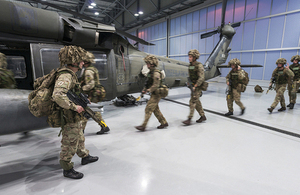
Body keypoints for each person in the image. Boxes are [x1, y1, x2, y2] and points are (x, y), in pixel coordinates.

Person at [52, 46, 98, 179]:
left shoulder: (71, 74)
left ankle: (84, 156)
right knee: (70, 142)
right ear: (74, 61)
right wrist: (74, 107)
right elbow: (57, 95)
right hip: (69, 115)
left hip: (74, 115)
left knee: (79, 136)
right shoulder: (66, 75)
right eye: (81, 61)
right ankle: (67, 168)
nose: (83, 63)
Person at [135, 55, 168, 131]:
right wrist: (144, 90)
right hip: (154, 93)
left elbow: (155, 85)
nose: (147, 65)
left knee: (148, 109)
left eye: (148, 63)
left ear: (152, 64)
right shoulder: (150, 72)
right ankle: (164, 122)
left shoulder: (156, 73)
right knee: (155, 109)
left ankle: (143, 126)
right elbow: (148, 83)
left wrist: (148, 90)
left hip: (157, 94)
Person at [81, 51, 109, 135]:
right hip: (94, 93)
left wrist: (81, 89)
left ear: (86, 61)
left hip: (92, 94)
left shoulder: (88, 71)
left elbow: (90, 84)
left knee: (85, 112)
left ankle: (80, 131)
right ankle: (104, 126)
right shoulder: (93, 69)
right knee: (94, 112)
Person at [182, 49, 207, 125]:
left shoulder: (199, 65)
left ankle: (189, 119)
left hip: (198, 86)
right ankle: (203, 116)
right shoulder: (191, 66)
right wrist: (190, 84)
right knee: (197, 102)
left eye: (190, 57)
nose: (189, 58)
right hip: (193, 86)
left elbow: (201, 78)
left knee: (192, 102)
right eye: (189, 57)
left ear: (194, 57)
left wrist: (195, 85)